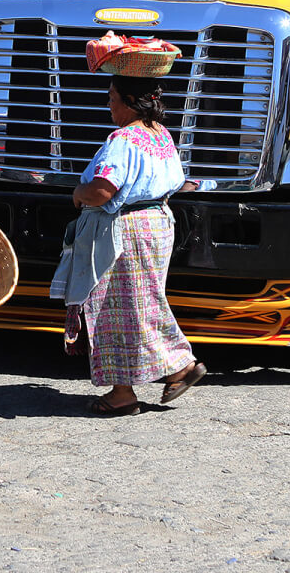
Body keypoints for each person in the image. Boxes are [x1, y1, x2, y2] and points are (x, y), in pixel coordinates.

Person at [55, 63, 206, 416]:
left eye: (112, 99)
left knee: (110, 306)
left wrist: (78, 193)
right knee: (139, 304)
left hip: (127, 229)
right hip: (157, 223)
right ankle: (170, 369)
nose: (109, 106)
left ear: (130, 102)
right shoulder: (160, 134)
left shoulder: (122, 140)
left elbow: (103, 191)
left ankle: (137, 386)